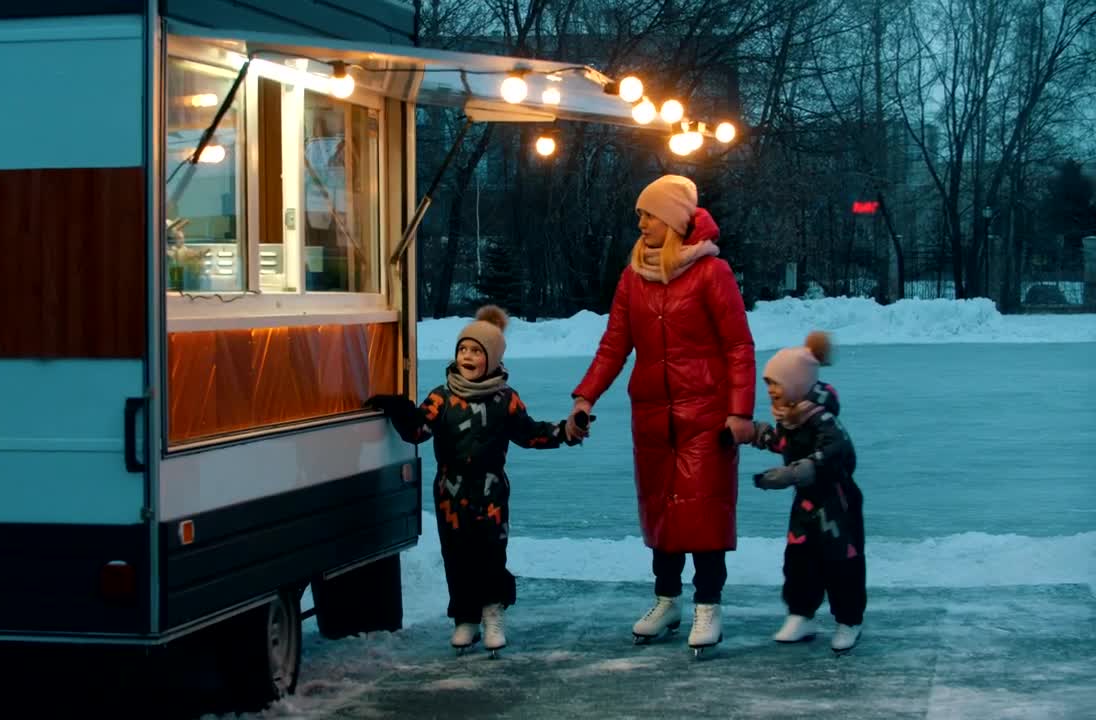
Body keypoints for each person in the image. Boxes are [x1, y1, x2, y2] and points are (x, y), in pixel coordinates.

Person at [566, 174, 756, 651]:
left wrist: (738, 412)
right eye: (640, 214)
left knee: (705, 512)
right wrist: (585, 396)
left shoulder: (713, 274)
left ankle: (708, 605)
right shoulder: (634, 277)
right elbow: (614, 345)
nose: (641, 222)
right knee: (663, 512)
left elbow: (738, 346)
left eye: (649, 214)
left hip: (706, 416)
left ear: (672, 219)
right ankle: (667, 600)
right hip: (652, 415)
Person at [367, 305, 583, 654]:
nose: (467, 356)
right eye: (463, 349)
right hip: (450, 492)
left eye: (476, 351)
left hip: (491, 491)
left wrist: (566, 432)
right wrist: (399, 408)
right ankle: (465, 617)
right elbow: (418, 431)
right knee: (457, 554)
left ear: (493, 359)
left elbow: (530, 434)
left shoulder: (505, 399)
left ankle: (492, 612)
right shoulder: (441, 397)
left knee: (490, 553)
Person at [750, 331, 866, 653]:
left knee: (841, 564)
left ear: (797, 384)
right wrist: (755, 433)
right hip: (806, 507)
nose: (770, 389)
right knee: (799, 560)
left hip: (837, 508)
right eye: (768, 383)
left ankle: (848, 619)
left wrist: (795, 472)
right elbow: (784, 443)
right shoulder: (792, 420)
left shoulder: (823, 419)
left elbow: (838, 453)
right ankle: (801, 614)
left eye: (776, 382)